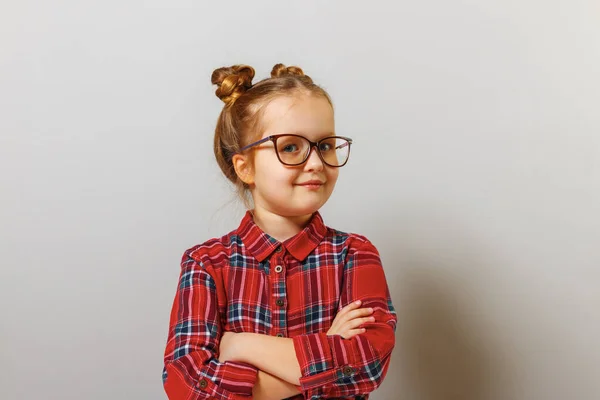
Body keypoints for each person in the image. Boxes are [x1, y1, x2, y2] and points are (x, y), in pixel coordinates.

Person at [162, 63, 397, 399]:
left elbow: (367, 364)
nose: (316, 163)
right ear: (245, 167)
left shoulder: (354, 254)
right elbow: (184, 385)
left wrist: (243, 345)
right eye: (290, 147)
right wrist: (327, 349)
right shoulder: (206, 263)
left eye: (326, 145)